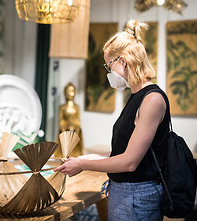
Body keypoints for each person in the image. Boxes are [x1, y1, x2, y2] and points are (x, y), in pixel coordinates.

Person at [54, 20, 170, 221]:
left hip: (137, 197)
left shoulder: (152, 100)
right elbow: (121, 152)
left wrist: (83, 164)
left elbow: (130, 162)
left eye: (109, 66)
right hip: (125, 193)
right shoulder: (134, 97)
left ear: (123, 61)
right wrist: (82, 159)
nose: (109, 73)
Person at [54, 82, 83, 157]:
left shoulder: (76, 107)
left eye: (72, 91)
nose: (70, 93)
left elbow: (78, 120)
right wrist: (64, 129)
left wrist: (76, 128)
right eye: (68, 91)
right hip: (65, 131)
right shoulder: (62, 107)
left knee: (75, 146)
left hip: (75, 131)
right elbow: (61, 120)